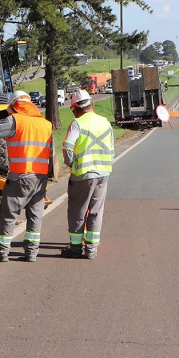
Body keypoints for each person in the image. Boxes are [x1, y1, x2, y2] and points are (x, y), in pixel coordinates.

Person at [0, 91, 53, 262]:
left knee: (9, 214)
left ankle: (2, 252)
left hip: (20, 176)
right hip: (40, 177)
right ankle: (31, 253)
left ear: (14, 104)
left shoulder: (15, 120)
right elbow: (51, 153)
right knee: (35, 215)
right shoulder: (46, 124)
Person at [61, 89, 114, 260]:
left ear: (76, 107)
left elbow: (68, 146)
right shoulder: (105, 122)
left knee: (78, 211)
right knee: (96, 211)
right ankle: (91, 250)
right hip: (103, 173)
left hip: (83, 174)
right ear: (92, 104)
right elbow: (111, 146)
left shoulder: (78, 123)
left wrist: (71, 164)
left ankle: (75, 249)